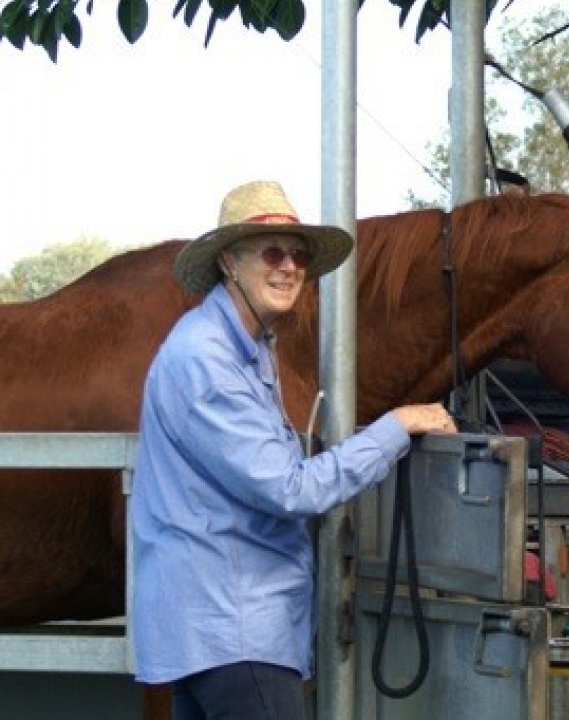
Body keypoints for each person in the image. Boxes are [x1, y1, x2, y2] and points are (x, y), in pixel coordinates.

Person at [131, 180, 456, 720]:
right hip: (234, 630)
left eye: (299, 255)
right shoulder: (207, 360)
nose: (289, 267)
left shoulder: (246, 346)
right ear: (229, 263)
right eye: (272, 252)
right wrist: (396, 425)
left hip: (216, 630)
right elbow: (289, 488)